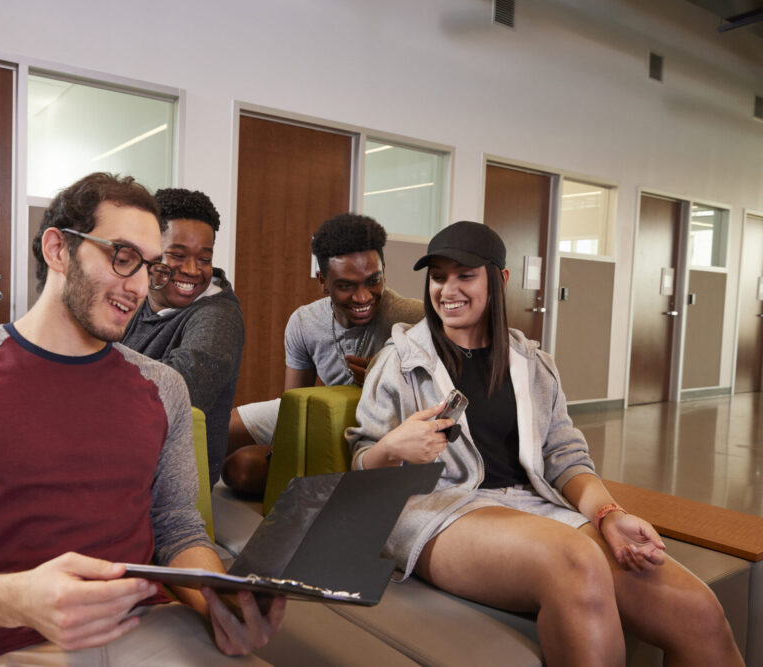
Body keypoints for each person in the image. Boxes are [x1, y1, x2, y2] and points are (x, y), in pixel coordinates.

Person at [0, 173, 284, 667]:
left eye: (150, 267)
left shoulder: (164, 389)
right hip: (7, 645)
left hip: (156, 630)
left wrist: (219, 607)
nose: (139, 285)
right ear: (58, 250)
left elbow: (178, 528)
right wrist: (21, 598)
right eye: (123, 257)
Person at [346, 220, 743, 666]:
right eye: (438, 276)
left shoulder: (532, 363)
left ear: (500, 279)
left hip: (532, 509)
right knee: (574, 558)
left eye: (465, 275)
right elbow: (361, 469)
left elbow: (565, 458)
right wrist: (393, 447)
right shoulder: (398, 361)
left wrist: (609, 515)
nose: (447, 289)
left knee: (699, 611)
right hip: (440, 511)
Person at [223, 213, 423, 495]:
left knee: (245, 470)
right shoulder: (304, 322)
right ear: (323, 280)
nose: (363, 297)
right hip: (327, 418)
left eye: (372, 281)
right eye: (346, 285)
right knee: (228, 442)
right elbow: (292, 404)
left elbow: (434, 399)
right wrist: (278, 454)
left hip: (386, 424)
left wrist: (382, 379)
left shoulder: (413, 316)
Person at [123, 188, 244, 488]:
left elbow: (183, 386)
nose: (192, 270)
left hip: (168, 477)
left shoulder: (219, 314)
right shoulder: (134, 295)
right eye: (177, 255)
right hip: (122, 450)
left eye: (204, 258)